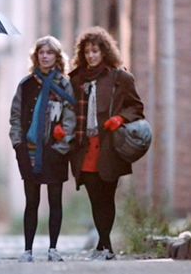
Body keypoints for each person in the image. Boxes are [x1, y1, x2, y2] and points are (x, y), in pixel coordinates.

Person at [68, 26, 145, 260]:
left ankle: (105, 246)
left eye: (95, 51)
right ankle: (104, 245)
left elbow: (136, 107)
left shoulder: (120, 77)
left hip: (110, 146)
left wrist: (120, 118)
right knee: (95, 196)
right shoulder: (75, 79)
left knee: (107, 196)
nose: (91, 56)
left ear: (104, 52)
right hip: (84, 147)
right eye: (87, 52)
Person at [9, 36, 76, 262]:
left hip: (54, 150)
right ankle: (27, 250)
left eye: (50, 53)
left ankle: (53, 248)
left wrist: (61, 146)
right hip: (29, 150)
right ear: (36, 56)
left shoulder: (64, 84)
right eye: (41, 52)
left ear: (57, 57)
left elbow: (70, 117)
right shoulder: (26, 84)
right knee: (32, 201)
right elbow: (16, 116)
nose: (45, 56)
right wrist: (17, 144)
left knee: (55, 199)